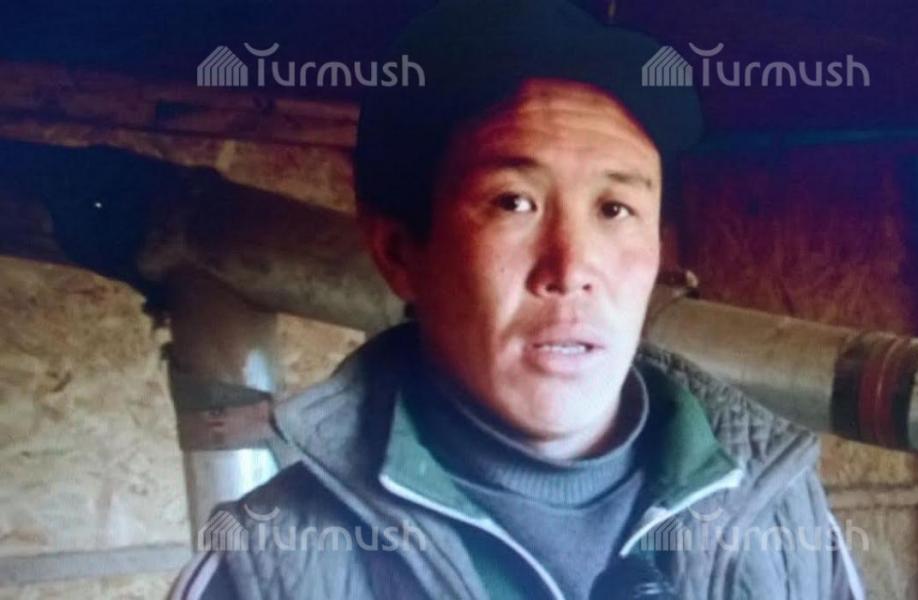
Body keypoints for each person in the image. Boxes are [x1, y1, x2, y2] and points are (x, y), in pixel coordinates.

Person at [172, 1, 864, 598]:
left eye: (616, 209)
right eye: (513, 202)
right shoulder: (268, 565)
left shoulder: (777, 512)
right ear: (401, 252)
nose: (571, 268)